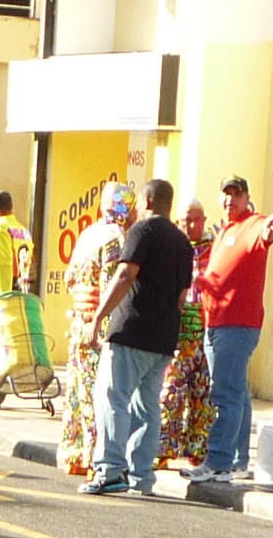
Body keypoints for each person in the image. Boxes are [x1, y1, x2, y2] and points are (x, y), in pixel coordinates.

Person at [79, 179, 195, 496]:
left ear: (146, 200)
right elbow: (182, 297)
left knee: (113, 399)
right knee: (147, 407)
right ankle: (141, 476)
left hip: (131, 330)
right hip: (162, 337)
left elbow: (125, 274)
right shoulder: (184, 244)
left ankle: (109, 469)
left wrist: (100, 316)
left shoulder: (142, 231)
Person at [185, 175, 273, 483]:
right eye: (226, 194)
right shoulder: (225, 229)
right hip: (216, 322)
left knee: (225, 394)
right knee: (237, 393)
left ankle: (218, 461)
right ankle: (238, 460)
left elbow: (269, 232)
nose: (230, 200)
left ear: (247, 197)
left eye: (236, 195)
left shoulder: (254, 224)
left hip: (237, 324)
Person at [57, 181, 133, 478]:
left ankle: (73, 453)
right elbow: (111, 285)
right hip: (97, 326)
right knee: (96, 391)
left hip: (78, 321)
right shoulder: (116, 238)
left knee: (76, 389)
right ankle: (92, 453)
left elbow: (69, 279)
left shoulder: (88, 233)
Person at [159, 198, 217, 467]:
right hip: (177, 336)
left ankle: (198, 449)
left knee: (204, 396)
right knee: (171, 393)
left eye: (197, 219)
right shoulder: (171, 246)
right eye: (186, 220)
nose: (192, 225)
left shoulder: (214, 248)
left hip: (205, 334)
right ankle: (164, 450)